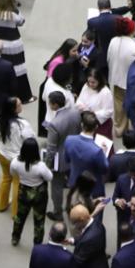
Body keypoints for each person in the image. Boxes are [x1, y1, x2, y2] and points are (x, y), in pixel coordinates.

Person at [0, 96, 35, 216]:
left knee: (6, 177)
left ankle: (2, 204)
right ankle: (16, 212)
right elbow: (30, 139)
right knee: (18, 183)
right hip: (16, 158)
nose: (21, 106)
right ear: (13, 109)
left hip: (1, 153)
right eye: (19, 105)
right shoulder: (22, 124)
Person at [45, 91, 82, 221]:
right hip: (74, 154)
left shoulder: (54, 124)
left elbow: (51, 149)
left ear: (55, 105)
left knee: (56, 186)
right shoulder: (75, 112)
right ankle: (73, 205)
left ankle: (57, 212)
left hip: (60, 159)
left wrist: (46, 165)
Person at [10, 137, 53, 246]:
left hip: (23, 191)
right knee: (39, 220)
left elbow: (13, 173)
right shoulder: (40, 166)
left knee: (19, 216)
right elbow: (50, 177)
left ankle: (15, 237)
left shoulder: (15, 162)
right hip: (39, 194)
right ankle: (37, 243)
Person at [69, 203, 110, 268]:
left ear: (82, 220)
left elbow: (77, 260)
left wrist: (61, 254)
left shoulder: (89, 239)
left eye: (75, 223)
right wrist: (74, 240)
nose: (74, 226)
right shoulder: (97, 224)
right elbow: (84, 237)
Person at [108, 17, 135, 138]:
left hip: (116, 80)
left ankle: (119, 130)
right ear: (132, 30)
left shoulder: (113, 41)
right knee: (133, 107)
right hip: (131, 83)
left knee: (119, 107)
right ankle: (132, 131)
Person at [65, 110, 109, 191]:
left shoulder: (69, 140)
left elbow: (67, 159)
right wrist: (104, 153)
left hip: (74, 183)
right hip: (92, 188)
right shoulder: (97, 151)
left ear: (82, 125)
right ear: (96, 127)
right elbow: (104, 169)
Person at [77, 68, 115, 140]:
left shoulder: (105, 92)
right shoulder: (86, 86)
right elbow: (80, 100)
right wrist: (82, 107)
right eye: (89, 82)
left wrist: (94, 114)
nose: (90, 84)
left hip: (100, 124)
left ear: (99, 81)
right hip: (87, 122)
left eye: (93, 82)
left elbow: (109, 111)